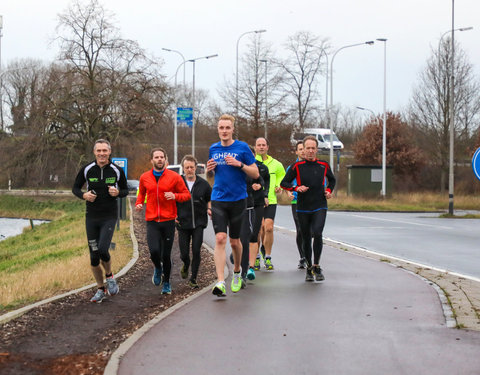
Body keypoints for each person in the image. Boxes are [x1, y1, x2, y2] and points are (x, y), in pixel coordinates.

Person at [207, 114, 259, 297]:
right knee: (220, 238)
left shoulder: (242, 148)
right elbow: (212, 175)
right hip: (219, 199)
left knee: (235, 242)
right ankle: (221, 281)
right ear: (218, 129)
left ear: (232, 129)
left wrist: (240, 164)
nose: (224, 131)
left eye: (227, 128)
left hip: (238, 200)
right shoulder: (213, 148)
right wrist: (209, 170)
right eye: (221, 128)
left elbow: (255, 173)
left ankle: (237, 271)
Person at [72, 139, 128, 303]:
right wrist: (84, 195)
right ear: (94, 152)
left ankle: (109, 277)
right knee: (94, 258)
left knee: (103, 249)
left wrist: (117, 193)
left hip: (109, 217)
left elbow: (125, 189)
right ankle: (100, 288)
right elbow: (75, 188)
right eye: (99, 151)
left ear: (109, 152)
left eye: (105, 151)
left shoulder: (116, 170)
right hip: (91, 217)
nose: (102, 154)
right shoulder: (87, 169)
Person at [135, 147, 191, 295]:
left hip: (168, 220)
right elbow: (141, 193)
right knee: (154, 251)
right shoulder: (145, 177)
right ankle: (157, 268)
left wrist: (175, 196)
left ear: (165, 160)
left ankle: (166, 283)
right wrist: (139, 203)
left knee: (166, 254)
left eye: (162, 157)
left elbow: (186, 195)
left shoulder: (174, 177)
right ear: (152, 160)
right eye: (157, 157)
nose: (159, 159)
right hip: (152, 220)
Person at [280, 135, 336, 282]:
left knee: (317, 233)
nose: (310, 151)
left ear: (317, 149)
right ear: (303, 150)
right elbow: (283, 182)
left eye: (313, 148)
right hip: (303, 207)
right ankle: (309, 267)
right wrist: (296, 188)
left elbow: (333, 180)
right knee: (305, 237)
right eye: (308, 148)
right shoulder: (296, 167)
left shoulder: (323, 165)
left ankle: (317, 265)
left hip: (320, 205)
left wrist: (329, 191)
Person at [176, 155, 212, 289]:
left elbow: (210, 198)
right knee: (184, 253)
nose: (189, 170)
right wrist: (174, 214)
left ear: (196, 168)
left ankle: (193, 278)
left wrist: (209, 208)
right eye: (187, 167)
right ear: (183, 168)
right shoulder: (178, 182)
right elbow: (172, 200)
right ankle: (186, 264)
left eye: (192, 167)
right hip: (182, 222)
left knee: (196, 250)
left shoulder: (203, 184)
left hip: (199, 222)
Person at [254, 137, 285, 270]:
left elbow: (281, 176)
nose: (261, 147)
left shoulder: (276, 164)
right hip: (256, 200)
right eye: (259, 145)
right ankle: (255, 257)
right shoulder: (251, 162)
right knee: (258, 228)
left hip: (271, 200)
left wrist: (279, 186)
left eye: (263, 145)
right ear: (255, 148)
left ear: (267, 147)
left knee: (269, 227)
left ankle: (267, 256)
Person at [246, 148, 270, 280]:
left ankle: (252, 264)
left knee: (255, 232)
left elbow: (263, 181)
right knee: (243, 235)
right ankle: (239, 256)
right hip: (243, 204)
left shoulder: (260, 167)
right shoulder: (240, 168)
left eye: (252, 155)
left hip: (258, 203)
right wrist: (250, 188)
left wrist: (261, 188)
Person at [286, 140, 307, 269]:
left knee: (309, 231)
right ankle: (302, 257)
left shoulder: (314, 165)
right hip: (297, 201)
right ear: (297, 152)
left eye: (304, 148)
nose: (303, 151)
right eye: (300, 149)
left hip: (311, 201)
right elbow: (286, 183)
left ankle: (309, 254)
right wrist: (289, 192)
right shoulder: (292, 167)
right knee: (300, 229)